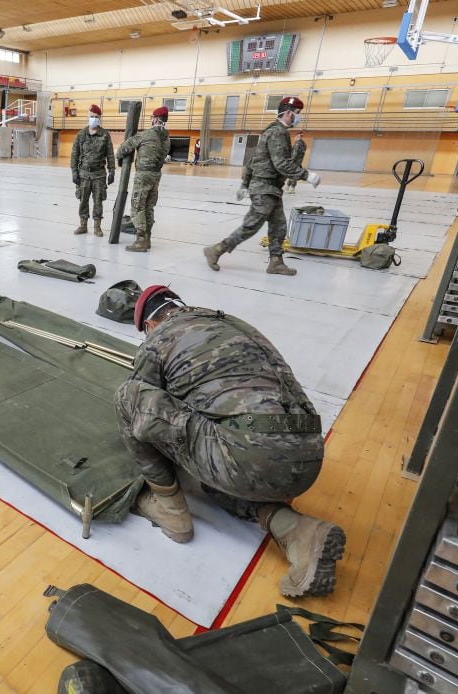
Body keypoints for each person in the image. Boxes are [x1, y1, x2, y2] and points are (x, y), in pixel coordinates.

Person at [115, 285, 346, 598]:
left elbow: (143, 398)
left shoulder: (158, 338)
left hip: (248, 455)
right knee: (217, 466)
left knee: (127, 398)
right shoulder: (230, 322)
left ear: (150, 325)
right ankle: (297, 532)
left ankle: (170, 509)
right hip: (309, 454)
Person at [203, 97, 321, 276]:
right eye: (297, 114)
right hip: (264, 188)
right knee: (251, 225)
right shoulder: (277, 133)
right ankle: (216, 250)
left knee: (278, 226)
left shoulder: (272, 132)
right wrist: (307, 175)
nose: (298, 118)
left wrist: (244, 183)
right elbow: (281, 163)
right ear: (288, 113)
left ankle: (276, 262)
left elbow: (253, 160)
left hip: (272, 189)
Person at [116, 106, 171, 252]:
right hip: (156, 176)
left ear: (155, 119)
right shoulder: (167, 139)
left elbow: (125, 147)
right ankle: (147, 238)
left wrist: (118, 158)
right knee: (148, 207)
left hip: (143, 176)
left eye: (152, 118)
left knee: (137, 207)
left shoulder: (146, 135)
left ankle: (140, 240)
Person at [70, 104, 116, 237]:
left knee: (98, 201)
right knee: (83, 201)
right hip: (83, 174)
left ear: (100, 118)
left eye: (96, 117)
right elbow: (75, 154)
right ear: (87, 117)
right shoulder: (81, 135)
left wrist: (111, 171)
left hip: (99, 175)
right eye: (92, 117)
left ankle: (97, 227)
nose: (94, 119)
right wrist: (74, 171)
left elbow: (110, 155)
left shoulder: (105, 135)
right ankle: (83, 225)